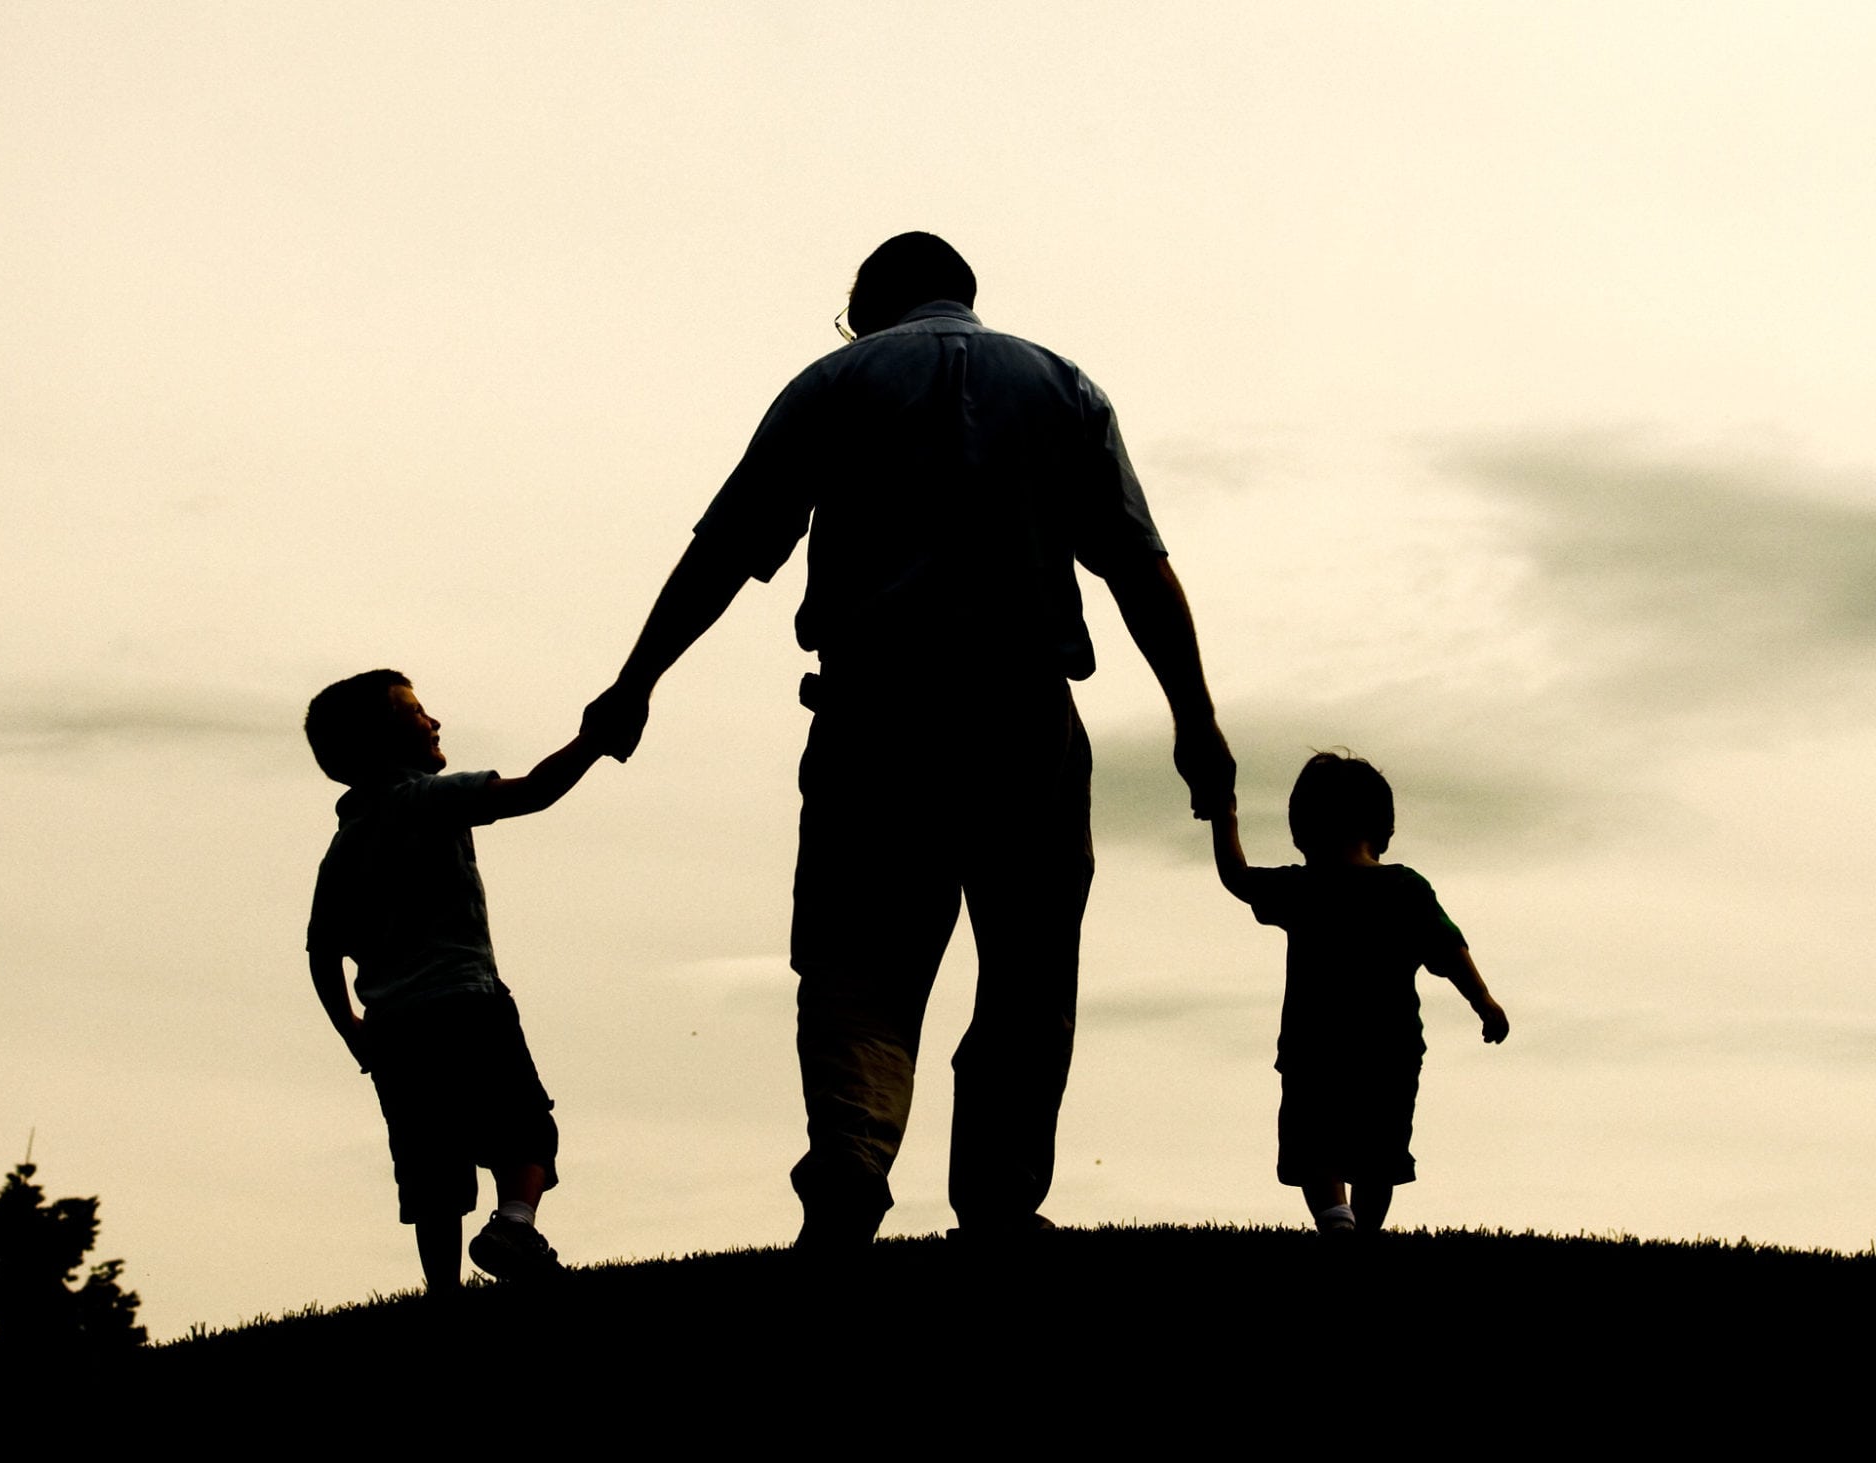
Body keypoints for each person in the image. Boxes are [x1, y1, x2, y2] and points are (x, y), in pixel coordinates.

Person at [581, 232, 1233, 1250]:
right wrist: (1195, 722)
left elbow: (726, 546)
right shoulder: (1061, 385)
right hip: (1022, 712)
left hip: (872, 709)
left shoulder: (833, 381)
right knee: (1026, 966)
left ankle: (849, 1155)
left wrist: (635, 680)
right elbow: (1135, 566)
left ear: (867, 300)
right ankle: (999, 1200)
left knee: (855, 957)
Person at [303, 669, 600, 1292]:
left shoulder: (343, 846)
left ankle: (443, 1293)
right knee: (524, 1129)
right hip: (468, 1004)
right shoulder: (424, 798)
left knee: (430, 1167)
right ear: (383, 738)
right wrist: (593, 741)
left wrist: (353, 1030)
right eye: (416, 712)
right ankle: (514, 1224)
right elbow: (536, 792)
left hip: (394, 1030)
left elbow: (321, 951)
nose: (434, 722)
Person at [1210, 750, 1509, 1237]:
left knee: (1315, 1145)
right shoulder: (1405, 887)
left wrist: (1225, 815)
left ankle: (1336, 1220)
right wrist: (1485, 1003)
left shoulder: (1303, 887)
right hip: (1390, 1051)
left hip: (1314, 1050)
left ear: (1301, 829)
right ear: (1383, 828)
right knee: (1379, 1156)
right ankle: (1363, 1230)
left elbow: (1237, 878)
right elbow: (1449, 949)